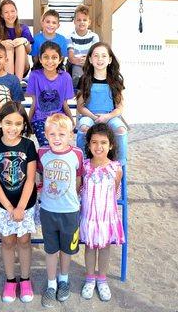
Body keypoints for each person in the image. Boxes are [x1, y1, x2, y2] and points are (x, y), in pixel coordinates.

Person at [0, 101, 38, 303]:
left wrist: (21, 207)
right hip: (3, 204)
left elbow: (31, 179)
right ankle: (10, 280)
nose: (12, 128)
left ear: (24, 124)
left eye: (18, 123)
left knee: (24, 241)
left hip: (26, 203)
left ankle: (25, 279)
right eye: (8, 123)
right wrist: (9, 207)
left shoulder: (28, 145)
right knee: (7, 242)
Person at [38, 113, 83, 308]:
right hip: (48, 210)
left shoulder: (77, 154)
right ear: (46, 135)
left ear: (71, 136)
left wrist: (72, 198)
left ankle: (63, 280)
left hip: (70, 210)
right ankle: (51, 284)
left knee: (66, 249)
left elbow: (78, 181)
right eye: (53, 134)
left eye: (62, 134)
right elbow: (39, 177)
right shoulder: (42, 153)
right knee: (50, 249)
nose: (57, 138)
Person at [79, 123, 125, 302]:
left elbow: (115, 192)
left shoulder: (116, 168)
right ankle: (90, 279)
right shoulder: (84, 167)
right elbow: (79, 190)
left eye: (103, 142)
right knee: (90, 248)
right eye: (94, 142)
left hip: (107, 218)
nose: (99, 147)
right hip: (89, 217)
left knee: (105, 249)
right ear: (89, 145)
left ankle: (102, 279)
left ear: (111, 145)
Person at [76, 41, 127, 166]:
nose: (100, 59)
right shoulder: (84, 79)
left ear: (109, 60)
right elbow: (80, 106)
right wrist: (94, 117)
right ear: (90, 59)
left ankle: (120, 163)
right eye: (96, 55)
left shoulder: (115, 80)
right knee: (83, 127)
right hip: (89, 116)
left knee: (120, 129)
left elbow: (120, 107)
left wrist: (107, 117)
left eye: (104, 56)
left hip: (110, 116)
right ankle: (82, 161)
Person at [26, 41, 75, 147]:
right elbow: (34, 102)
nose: (50, 61)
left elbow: (64, 104)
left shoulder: (65, 77)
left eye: (54, 57)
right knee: (46, 145)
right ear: (40, 59)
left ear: (60, 59)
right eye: (46, 57)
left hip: (59, 118)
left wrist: (71, 121)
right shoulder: (35, 76)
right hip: (40, 119)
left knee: (60, 144)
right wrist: (28, 122)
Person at [0, 0, 33, 81]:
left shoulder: (23, 28)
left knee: (20, 45)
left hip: (22, 67)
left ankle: (17, 82)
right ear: (2, 15)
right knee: (8, 47)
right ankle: (10, 82)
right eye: (6, 12)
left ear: (16, 12)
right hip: (4, 67)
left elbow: (29, 51)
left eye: (12, 11)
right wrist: (1, 43)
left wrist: (24, 41)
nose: (10, 14)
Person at [67, 4, 99, 88]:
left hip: (89, 62)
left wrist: (87, 61)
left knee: (96, 65)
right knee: (77, 70)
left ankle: (90, 83)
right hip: (75, 63)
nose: (82, 22)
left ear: (89, 22)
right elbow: (71, 55)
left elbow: (95, 53)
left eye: (84, 20)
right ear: (74, 21)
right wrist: (75, 60)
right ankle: (78, 83)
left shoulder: (94, 36)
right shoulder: (70, 37)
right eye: (79, 20)